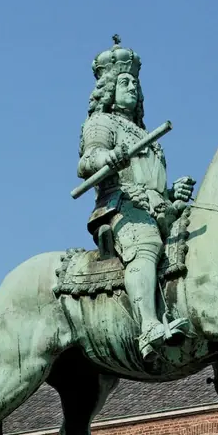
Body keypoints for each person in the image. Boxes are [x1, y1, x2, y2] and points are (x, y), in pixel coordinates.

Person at [77, 37, 195, 361]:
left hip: (159, 209)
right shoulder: (101, 122)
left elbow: (152, 183)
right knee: (147, 246)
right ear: (109, 89)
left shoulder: (148, 136)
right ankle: (149, 327)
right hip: (121, 207)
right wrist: (107, 158)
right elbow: (86, 163)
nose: (132, 87)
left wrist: (172, 192)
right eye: (124, 82)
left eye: (134, 83)